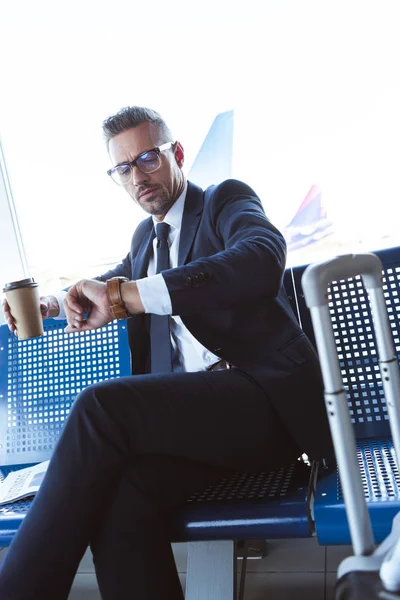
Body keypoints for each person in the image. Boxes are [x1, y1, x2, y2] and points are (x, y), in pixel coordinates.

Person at [0, 106, 332, 600]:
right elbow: (111, 282)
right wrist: (52, 302)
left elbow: (261, 256)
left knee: (102, 407)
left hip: (265, 409)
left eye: (148, 158)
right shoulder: (145, 241)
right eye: (124, 168)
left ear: (176, 155)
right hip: (204, 431)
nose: (139, 176)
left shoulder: (224, 201)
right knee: (122, 498)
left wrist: (125, 297)